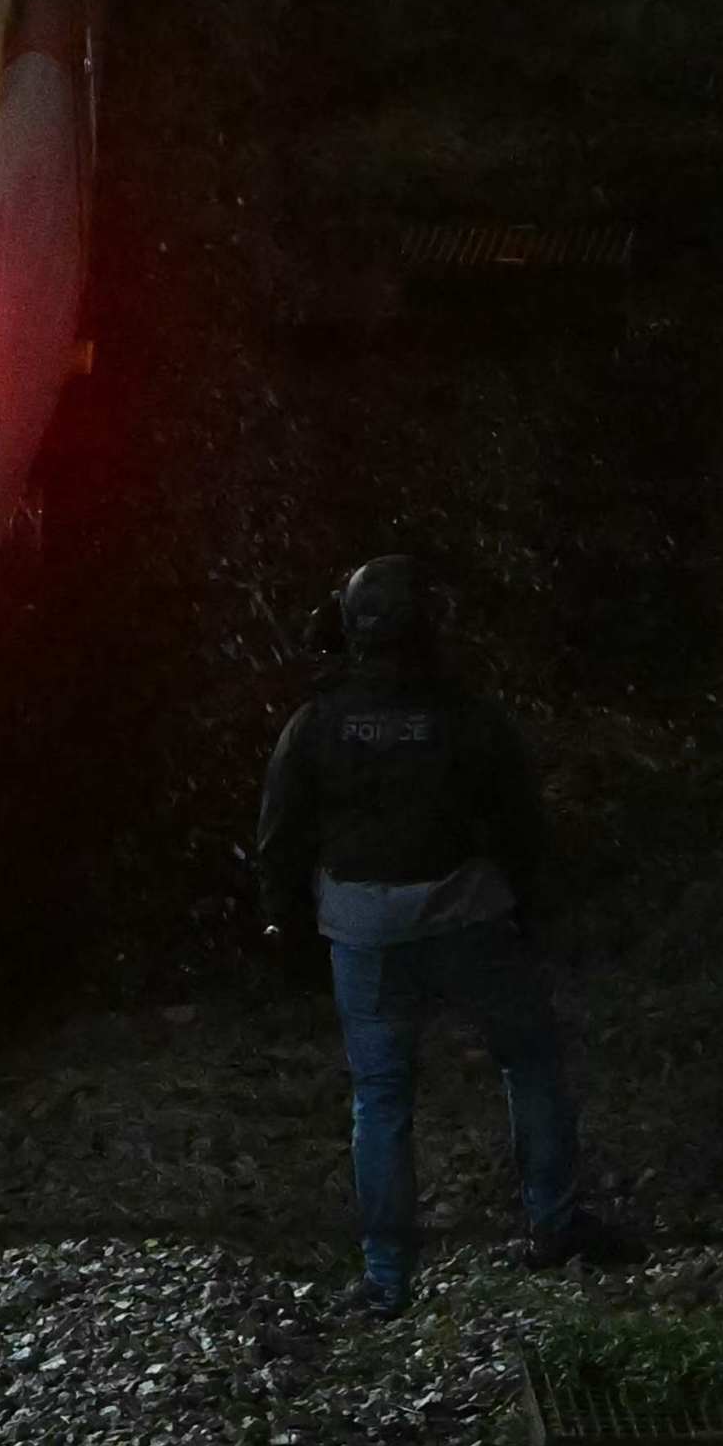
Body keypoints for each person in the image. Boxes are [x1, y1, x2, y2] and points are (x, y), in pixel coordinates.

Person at [253, 554, 614, 1314]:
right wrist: (530, 906)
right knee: (529, 1060)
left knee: (379, 1099)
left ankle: (387, 1280)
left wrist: (282, 924)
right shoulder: (467, 717)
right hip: (466, 915)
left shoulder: (316, 720)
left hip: (362, 929)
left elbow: (279, 835)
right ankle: (551, 1225)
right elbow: (520, 822)